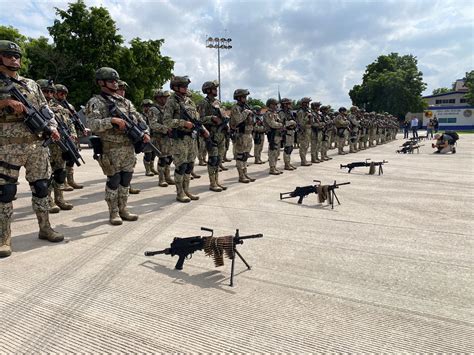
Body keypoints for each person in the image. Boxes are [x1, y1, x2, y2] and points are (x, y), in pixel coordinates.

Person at [0, 40, 64, 257]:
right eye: (8, 55)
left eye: (16, 56)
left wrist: (53, 127)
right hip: (7, 148)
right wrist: (5, 103)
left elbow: (46, 110)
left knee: (42, 188)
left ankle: (45, 228)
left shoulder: (31, 84)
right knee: (5, 193)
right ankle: (3, 238)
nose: (14, 59)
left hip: (36, 147)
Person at [85, 67, 149, 225]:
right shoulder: (95, 102)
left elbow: (139, 119)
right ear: (101, 82)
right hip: (110, 148)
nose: (115, 83)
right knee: (114, 180)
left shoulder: (125, 102)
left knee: (126, 179)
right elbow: (92, 124)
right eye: (111, 81)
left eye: (116, 81)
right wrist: (111, 121)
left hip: (128, 147)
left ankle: (123, 209)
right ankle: (113, 212)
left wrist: (145, 132)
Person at [164, 76, 207, 202]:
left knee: (189, 166)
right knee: (181, 166)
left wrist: (204, 129)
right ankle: (180, 193)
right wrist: (183, 123)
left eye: (186, 86)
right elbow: (167, 121)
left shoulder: (189, 101)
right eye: (183, 86)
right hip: (179, 139)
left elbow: (197, 119)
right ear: (176, 87)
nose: (186, 88)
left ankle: (187, 190)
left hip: (191, 139)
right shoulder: (171, 101)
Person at [37, 79, 75, 213]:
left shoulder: (60, 108)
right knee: (45, 175)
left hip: (59, 144)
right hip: (42, 146)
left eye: (51, 92)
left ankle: (59, 198)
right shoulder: (34, 105)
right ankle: (48, 200)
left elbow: (69, 123)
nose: (48, 94)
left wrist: (73, 134)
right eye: (45, 91)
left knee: (60, 173)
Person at [55, 83, 89, 190]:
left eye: (65, 94)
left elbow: (75, 119)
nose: (63, 96)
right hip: (60, 136)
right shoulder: (53, 105)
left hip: (71, 135)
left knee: (71, 158)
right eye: (61, 93)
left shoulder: (69, 106)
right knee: (61, 160)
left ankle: (70, 180)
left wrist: (81, 129)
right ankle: (62, 182)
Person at [197, 80, 228, 192]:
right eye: (214, 88)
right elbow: (199, 119)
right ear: (208, 90)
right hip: (211, 135)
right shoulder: (203, 103)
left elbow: (223, 115)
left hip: (220, 134)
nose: (216, 90)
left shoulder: (217, 102)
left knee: (219, 159)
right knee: (213, 159)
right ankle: (212, 183)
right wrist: (211, 118)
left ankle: (216, 181)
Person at [116, 80, 141, 195]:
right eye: (120, 89)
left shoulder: (127, 103)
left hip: (128, 141)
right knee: (115, 175)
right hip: (114, 143)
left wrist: (143, 130)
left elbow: (137, 116)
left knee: (129, 169)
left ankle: (128, 186)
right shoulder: (107, 102)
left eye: (123, 89)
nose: (122, 91)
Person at [148, 89, 175, 187]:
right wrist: (165, 128)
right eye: (164, 97)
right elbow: (153, 124)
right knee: (162, 158)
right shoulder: (153, 110)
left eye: (167, 97)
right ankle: (161, 179)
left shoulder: (167, 109)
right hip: (159, 137)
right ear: (158, 98)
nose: (166, 99)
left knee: (170, 157)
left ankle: (167, 176)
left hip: (169, 138)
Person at [230, 89, 255, 183]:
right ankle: (241, 176)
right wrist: (246, 112)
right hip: (240, 134)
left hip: (248, 134)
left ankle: (245, 174)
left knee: (245, 155)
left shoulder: (245, 107)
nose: (246, 99)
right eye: (244, 97)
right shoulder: (236, 108)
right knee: (240, 156)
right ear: (239, 98)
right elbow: (238, 119)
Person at [264, 98, 284, 175]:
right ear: (270, 105)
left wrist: (280, 124)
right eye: (275, 104)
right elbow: (272, 124)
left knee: (277, 152)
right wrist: (281, 125)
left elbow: (278, 122)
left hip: (277, 134)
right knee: (272, 152)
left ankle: (274, 167)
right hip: (272, 134)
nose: (276, 106)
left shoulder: (275, 113)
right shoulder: (268, 113)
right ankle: (272, 168)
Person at [279, 98, 298, 169]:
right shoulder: (281, 113)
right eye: (289, 103)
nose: (290, 105)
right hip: (286, 132)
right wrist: (291, 122)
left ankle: (288, 163)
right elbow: (281, 123)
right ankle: (286, 164)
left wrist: (294, 123)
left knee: (290, 148)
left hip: (291, 131)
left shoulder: (289, 112)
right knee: (287, 148)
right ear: (285, 104)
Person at [296, 97, 313, 166]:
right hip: (303, 131)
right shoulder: (301, 112)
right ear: (303, 103)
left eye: (308, 103)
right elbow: (301, 123)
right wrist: (307, 117)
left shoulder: (307, 111)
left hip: (308, 130)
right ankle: (303, 161)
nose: (307, 104)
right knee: (303, 146)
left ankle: (304, 159)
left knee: (306, 146)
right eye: (306, 103)